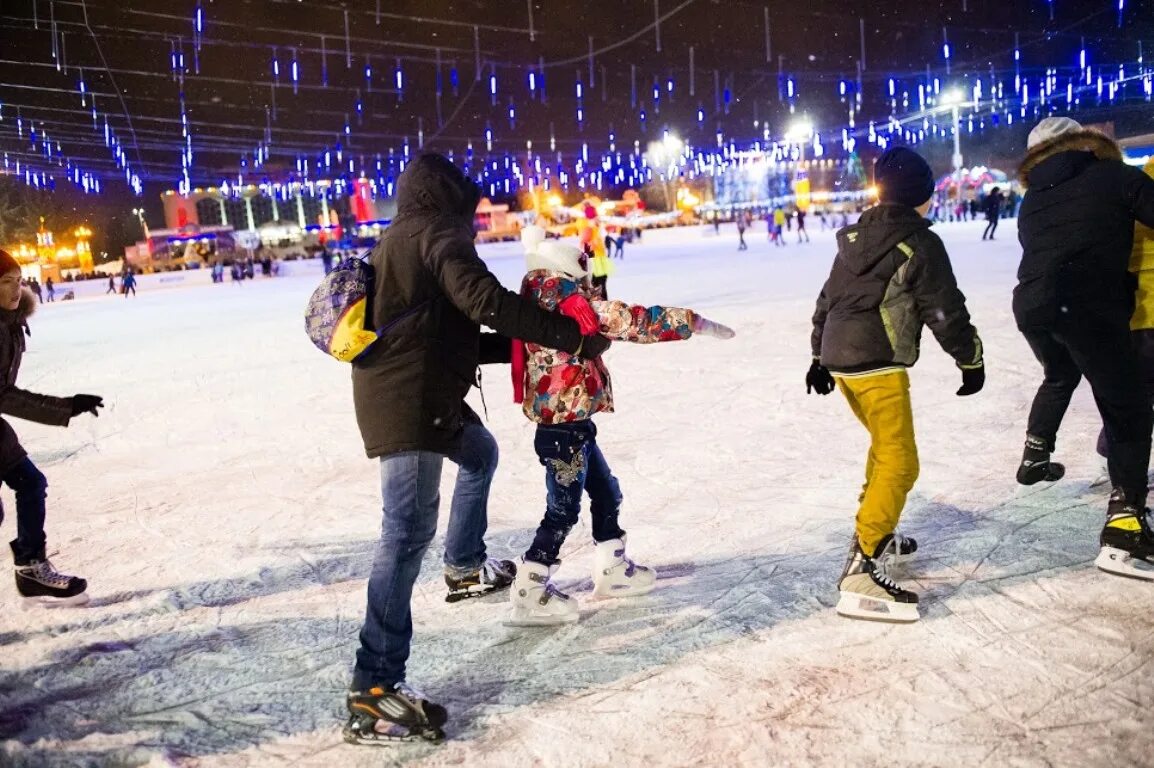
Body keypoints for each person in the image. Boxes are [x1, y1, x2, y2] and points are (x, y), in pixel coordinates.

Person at [343, 153, 611, 745]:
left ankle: (464, 568)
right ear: (449, 197)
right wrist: (569, 335)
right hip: (409, 401)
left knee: (480, 452)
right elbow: (486, 301)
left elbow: (449, 329)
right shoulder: (436, 233)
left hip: (418, 389)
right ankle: (374, 689)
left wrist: (531, 350)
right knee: (406, 532)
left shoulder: (403, 236)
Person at [507, 230, 735, 625]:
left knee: (606, 493)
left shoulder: (550, 297)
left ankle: (612, 567)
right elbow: (628, 320)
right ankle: (530, 586)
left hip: (573, 423)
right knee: (562, 512)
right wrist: (690, 321)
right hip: (562, 428)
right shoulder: (566, 302)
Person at [808, 146, 984, 623]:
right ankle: (864, 563)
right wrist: (971, 358)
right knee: (901, 462)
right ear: (921, 195)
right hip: (876, 363)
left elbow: (827, 301)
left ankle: (876, 533)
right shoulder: (920, 242)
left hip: (841, 363)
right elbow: (944, 309)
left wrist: (817, 357)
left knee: (884, 449)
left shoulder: (854, 240)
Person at [1012, 118, 1154, 580]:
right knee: (1128, 408)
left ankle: (1036, 450)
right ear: (1088, 142)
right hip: (1087, 304)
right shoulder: (1115, 176)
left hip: (1035, 309)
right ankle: (1126, 527)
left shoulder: (1032, 199)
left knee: (1061, 375)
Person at [0, 249, 103, 607]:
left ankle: (30, 568)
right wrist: (66, 407)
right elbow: (2, 394)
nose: (16, 289)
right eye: (5, 282)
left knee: (31, 483)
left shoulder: (10, 322)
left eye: (18, 280)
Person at [1095, 158, 1154, 462]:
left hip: (1132, 310)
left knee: (1136, 392)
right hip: (1146, 307)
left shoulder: (1131, 186)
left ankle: (1114, 451)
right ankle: (1118, 453)